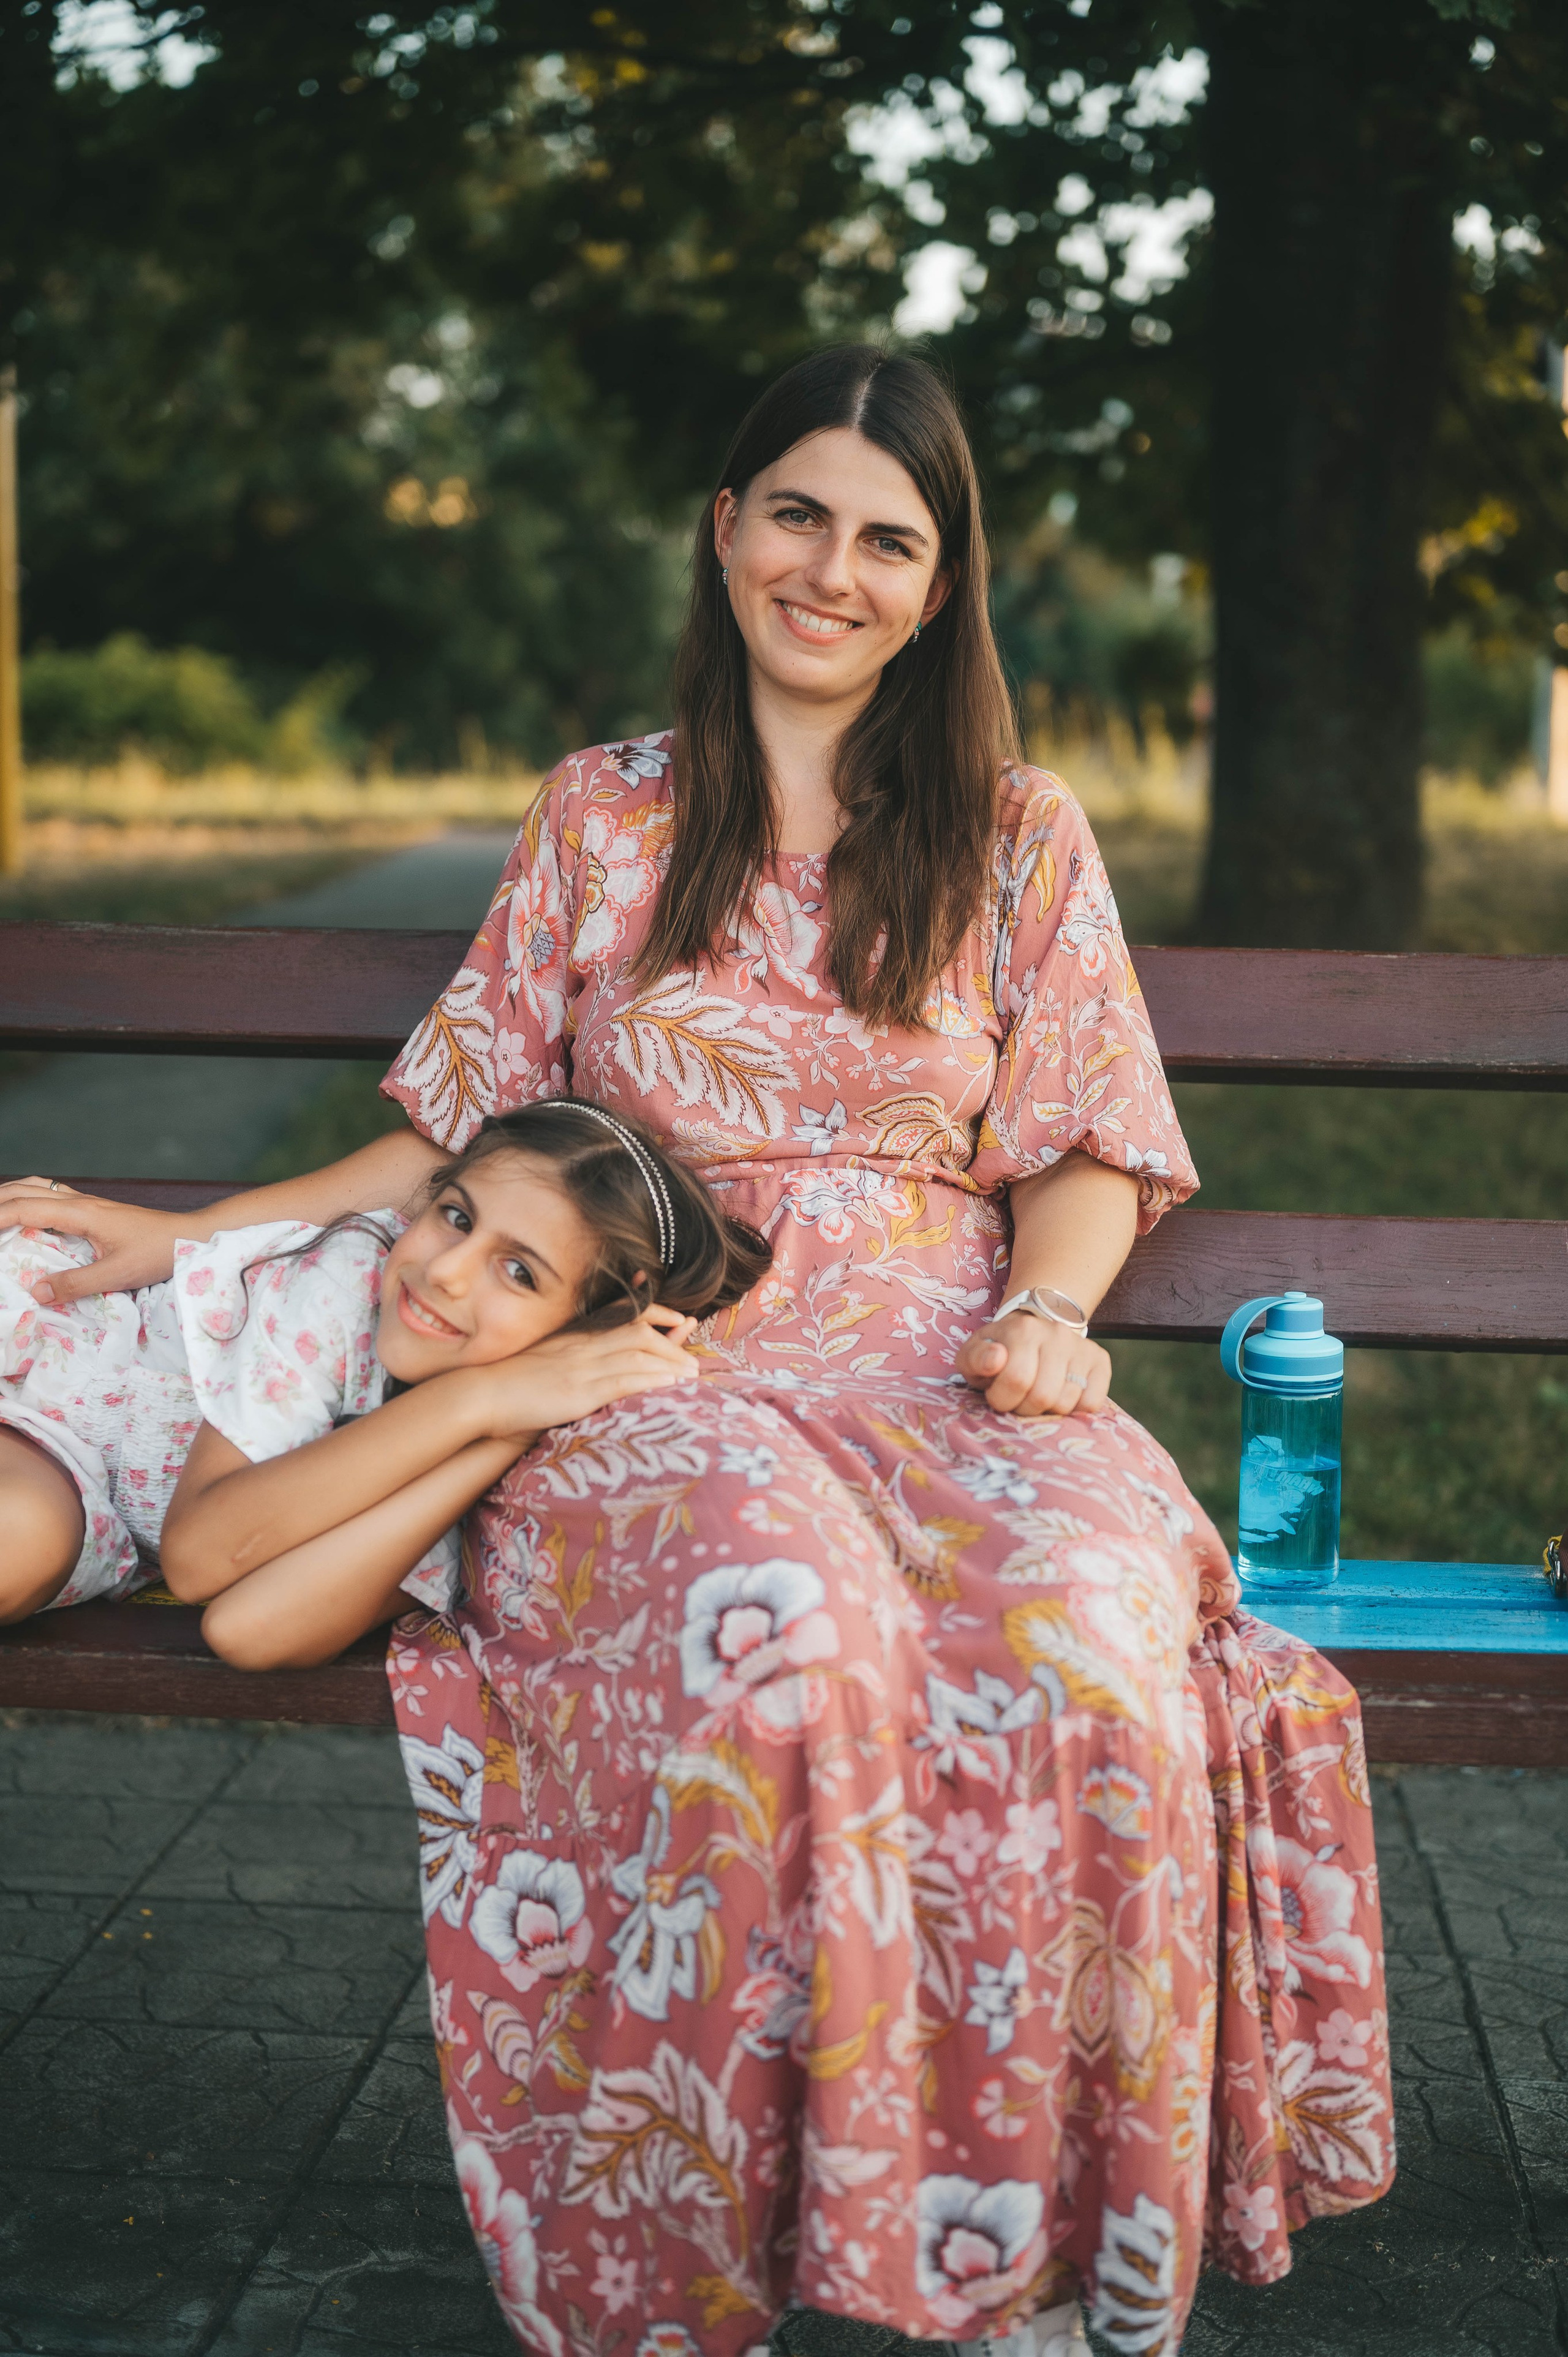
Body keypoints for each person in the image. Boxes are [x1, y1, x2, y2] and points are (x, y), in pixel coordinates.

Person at [0, 345, 1394, 2356]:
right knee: (783, 1620)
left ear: (942, 584)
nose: (834, 567)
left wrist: (1050, 1306)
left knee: (1090, 1631)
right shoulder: (603, 814)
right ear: (723, 529)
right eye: (798, 512)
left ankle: (1008, 2251)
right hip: (660, 1360)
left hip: (950, 1351)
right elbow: (465, 1115)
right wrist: (195, 1229)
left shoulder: (1019, 832)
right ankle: (715, 2239)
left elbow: (1093, 1136)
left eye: (889, 536)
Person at [0, 1101, 767, 1660]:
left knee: (23, 1541)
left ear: (580, 1332)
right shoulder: (349, 1276)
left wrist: (493, 1430)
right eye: (458, 1218)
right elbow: (202, 1554)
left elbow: (250, 1628)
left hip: (63, 1465)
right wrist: (476, 1400)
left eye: (519, 1271)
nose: (444, 1270)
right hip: (45, 1335)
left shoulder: (502, 1435)